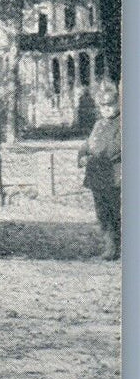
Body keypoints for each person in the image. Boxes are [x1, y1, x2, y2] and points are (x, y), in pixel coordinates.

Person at [79, 81, 121, 260]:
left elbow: (116, 148)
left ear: (117, 104)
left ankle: (114, 246)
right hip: (97, 176)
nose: (107, 110)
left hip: (113, 175)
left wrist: (97, 155)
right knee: (101, 212)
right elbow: (88, 143)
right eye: (103, 106)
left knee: (114, 210)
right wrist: (81, 154)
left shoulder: (121, 124)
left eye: (110, 105)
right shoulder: (98, 124)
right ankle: (108, 243)